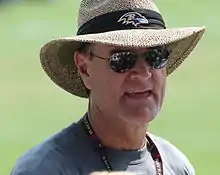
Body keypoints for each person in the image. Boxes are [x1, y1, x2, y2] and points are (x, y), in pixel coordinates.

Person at [10, 0, 205, 174]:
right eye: (122, 59)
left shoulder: (176, 166)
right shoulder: (44, 169)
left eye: (155, 56)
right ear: (85, 69)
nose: (143, 72)